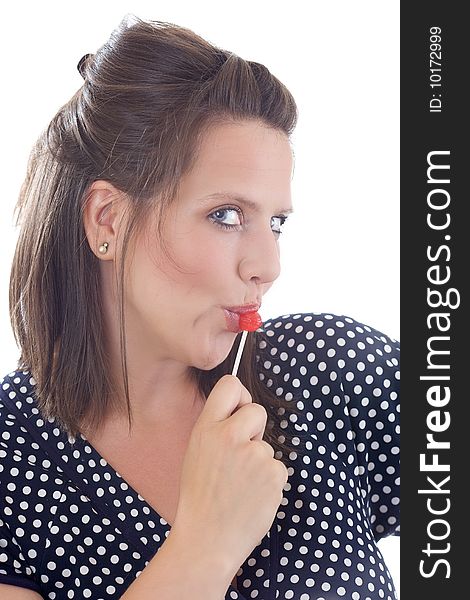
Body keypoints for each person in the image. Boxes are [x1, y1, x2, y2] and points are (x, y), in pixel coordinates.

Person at [0, 15, 400, 600]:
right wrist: (205, 547)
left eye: (277, 223)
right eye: (227, 216)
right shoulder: (11, 461)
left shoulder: (329, 370)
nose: (267, 264)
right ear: (107, 219)